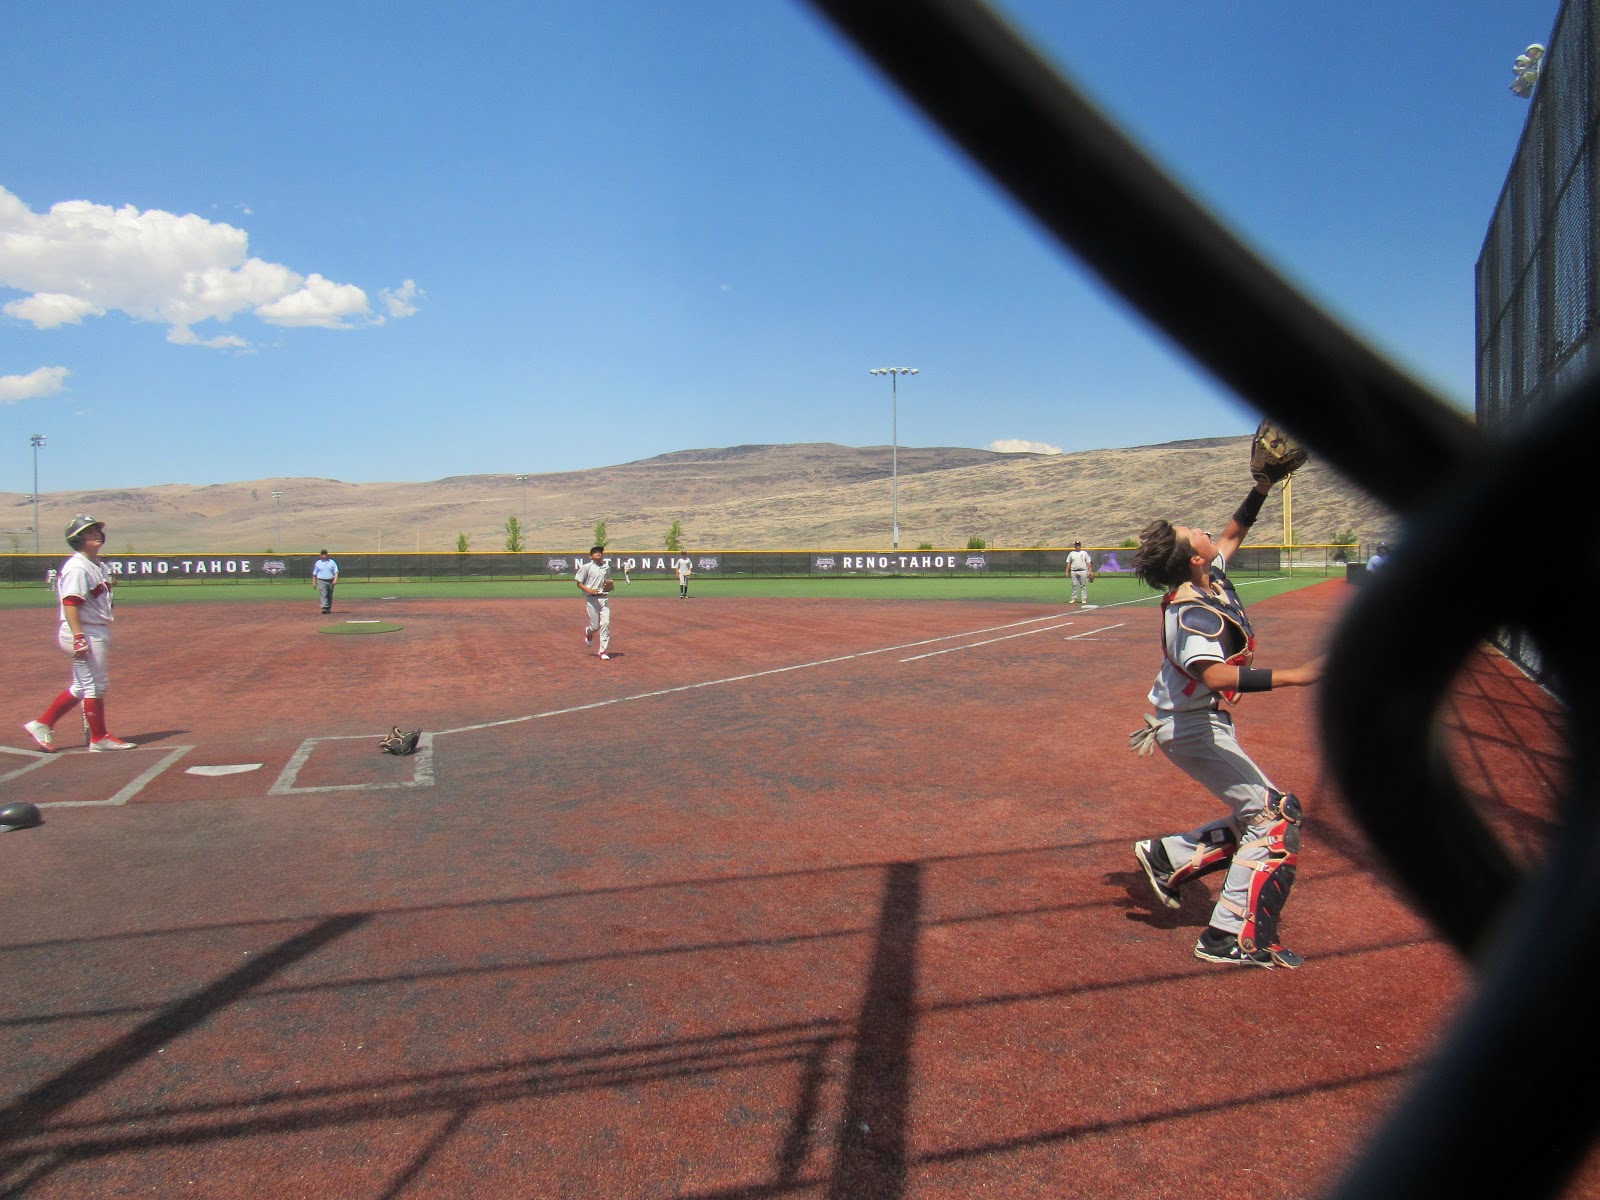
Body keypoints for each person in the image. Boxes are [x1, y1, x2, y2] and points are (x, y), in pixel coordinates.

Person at [1127, 475, 1322, 969]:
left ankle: (1168, 856)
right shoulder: (1192, 614)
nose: (1208, 532)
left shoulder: (1208, 575)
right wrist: (1299, 676)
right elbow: (1213, 674)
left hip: (1195, 722)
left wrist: (1261, 486)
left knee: (1258, 813)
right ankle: (1227, 938)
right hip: (1189, 727)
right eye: (1197, 532)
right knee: (1275, 819)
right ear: (1195, 557)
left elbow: (1235, 531)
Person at [22, 515, 137, 752]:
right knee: (96, 685)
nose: (94, 533)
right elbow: (70, 603)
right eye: (88, 531)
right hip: (84, 631)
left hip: (93, 629)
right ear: (77, 539)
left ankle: (42, 724)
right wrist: (79, 637)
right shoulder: (77, 567)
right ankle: (99, 737)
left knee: (80, 686)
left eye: (96, 529)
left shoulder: (97, 565)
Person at [575, 545, 613, 660]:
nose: (598, 554)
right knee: (595, 626)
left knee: (605, 623)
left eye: (600, 552)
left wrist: (609, 586)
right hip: (591, 598)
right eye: (595, 552)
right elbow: (578, 582)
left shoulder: (606, 568)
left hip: (603, 598)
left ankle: (602, 651)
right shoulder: (587, 567)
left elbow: (608, 581)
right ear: (590, 556)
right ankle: (589, 632)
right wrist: (589, 590)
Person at [1065, 540, 1094, 605]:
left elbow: (1088, 563)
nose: (1077, 546)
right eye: (1076, 545)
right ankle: (1073, 598)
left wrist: (1090, 571)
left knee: (1083, 585)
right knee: (1074, 585)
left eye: (1078, 545)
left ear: (1080, 546)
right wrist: (1067, 571)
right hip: (1074, 571)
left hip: (1083, 570)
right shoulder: (1071, 553)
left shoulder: (1084, 553)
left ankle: (1084, 599)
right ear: (1075, 546)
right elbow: (1068, 563)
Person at [311, 549, 339, 614]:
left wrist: (335, 579)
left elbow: (336, 572)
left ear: (327, 554)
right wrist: (314, 582)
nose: (324, 555)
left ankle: (328, 608)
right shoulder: (318, 563)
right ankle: (324, 607)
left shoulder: (332, 562)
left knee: (329, 595)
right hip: (321, 580)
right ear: (320, 555)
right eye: (323, 554)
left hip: (330, 580)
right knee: (324, 594)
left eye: (325, 554)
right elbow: (314, 573)